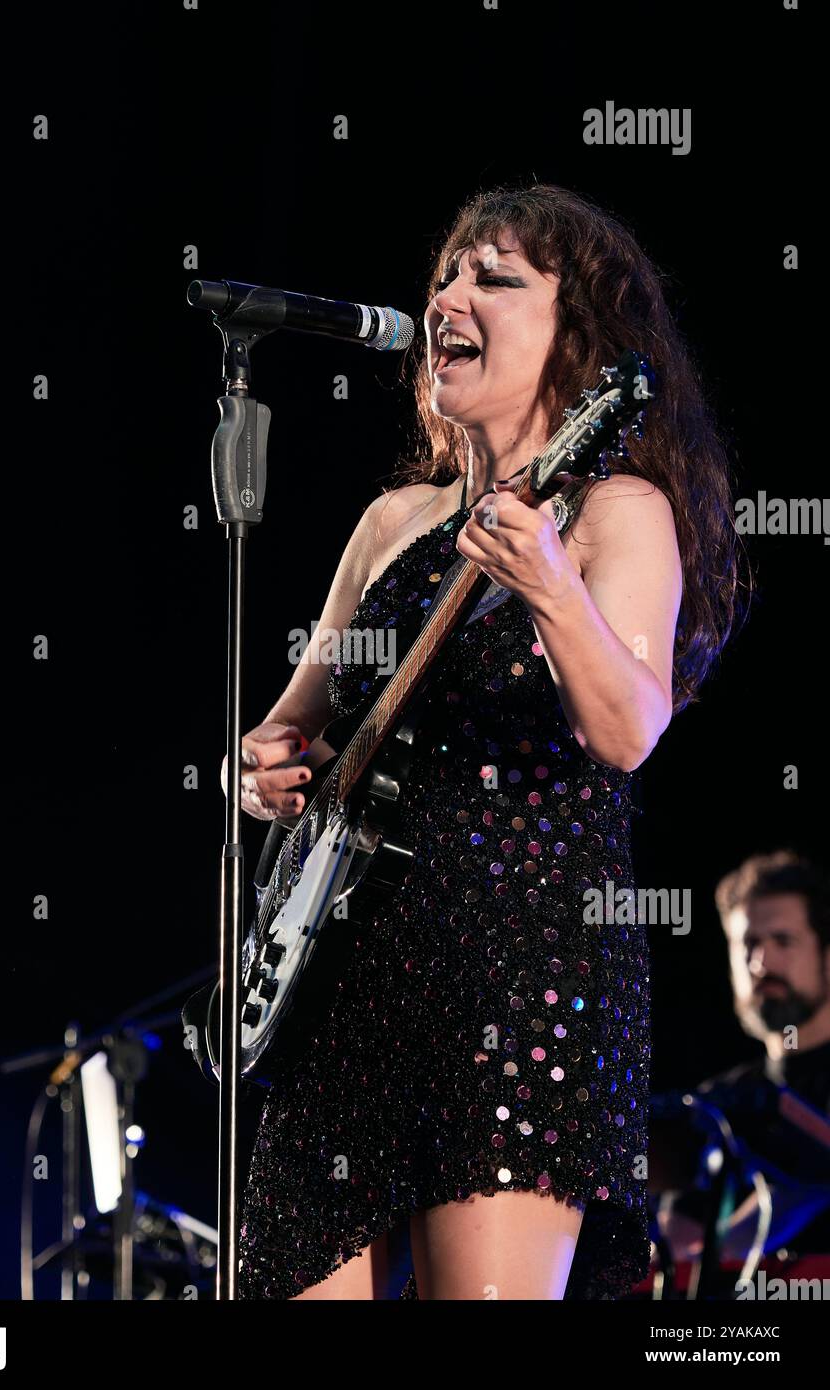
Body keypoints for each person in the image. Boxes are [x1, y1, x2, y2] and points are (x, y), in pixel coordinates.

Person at [224, 183, 747, 1299]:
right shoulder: (389, 523)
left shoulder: (617, 508)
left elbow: (628, 728)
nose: (451, 294)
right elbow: (289, 722)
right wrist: (257, 766)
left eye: (496, 278)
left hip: (516, 977)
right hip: (343, 985)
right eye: (448, 275)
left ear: (581, 337)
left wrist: (552, 589)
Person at [658, 852, 830, 1267]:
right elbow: (676, 1248)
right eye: (748, 943)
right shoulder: (716, 1102)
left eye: (783, 941)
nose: (761, 962)